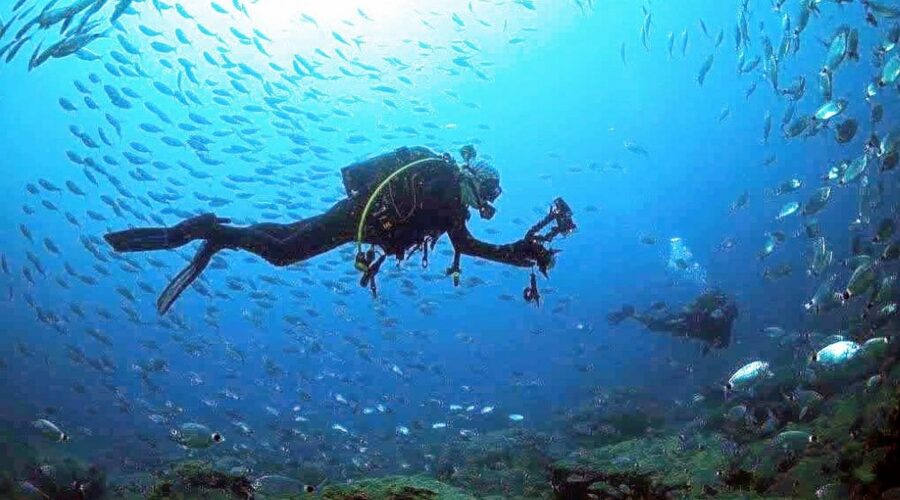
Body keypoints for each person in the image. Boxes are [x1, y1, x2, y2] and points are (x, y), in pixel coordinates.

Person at [104, 145, 576, 315]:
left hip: (357, 215)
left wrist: (517, 251)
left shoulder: (440, 183)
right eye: (486, 195)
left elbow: (460, 240)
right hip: (361, 221)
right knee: (284, 254)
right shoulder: (449, 193)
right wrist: (517, 254)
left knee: (287, 234)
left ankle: (224, 228)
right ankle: (217, 230)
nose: (482, 204)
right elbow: (466, 246)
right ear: (479, 185)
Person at [607, 289, 738, 354]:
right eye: (719, 311)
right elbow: (690, 310)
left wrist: (710, 345)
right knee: (657, 325)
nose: (719, 314)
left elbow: (721, 343)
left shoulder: (724, 327)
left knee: (657, 325)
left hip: (687, 327)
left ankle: (632, 314)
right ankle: (631, 314)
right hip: (685, 323)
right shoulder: (713, 313)